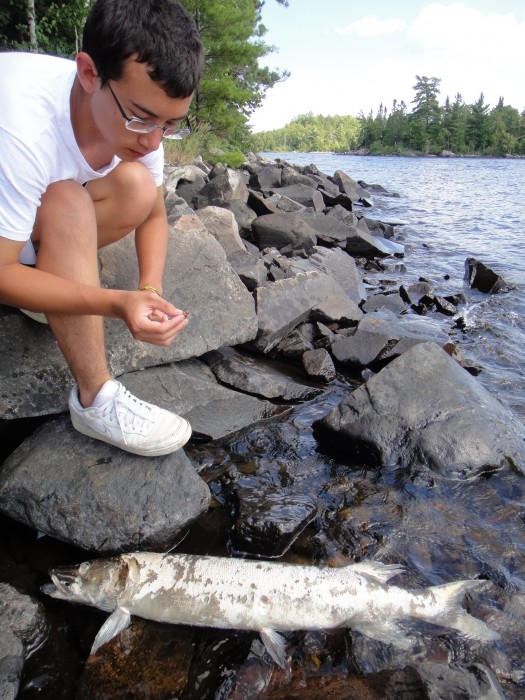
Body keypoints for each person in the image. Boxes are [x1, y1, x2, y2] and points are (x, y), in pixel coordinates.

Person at [0, 0, 204, 457]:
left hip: (17, 219)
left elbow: (152, 212)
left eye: (170, 124)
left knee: (135, 186)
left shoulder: (136, 115)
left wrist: (148, 286)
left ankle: (48, 288)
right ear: (90, 73)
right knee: (67, 199)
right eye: (143, 118)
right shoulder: (20, 126)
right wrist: (115, 302)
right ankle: (95, 399)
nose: (153, 140)